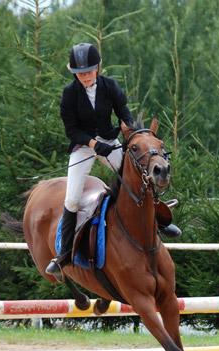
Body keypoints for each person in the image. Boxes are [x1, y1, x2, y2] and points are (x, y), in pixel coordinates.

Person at [47, 42, 180, 277]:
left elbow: (123, 112)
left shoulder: (109, 86)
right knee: (72, 199)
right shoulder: (69, 93)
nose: (85, 77)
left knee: (139, 177)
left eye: (89, 72)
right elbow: (72, 130)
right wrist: (93, 144)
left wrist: (131, 132)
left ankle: (161, 220)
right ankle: (63, 255)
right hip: (83, 146)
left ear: (97, 68)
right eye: (80, 74)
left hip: (109, 141)